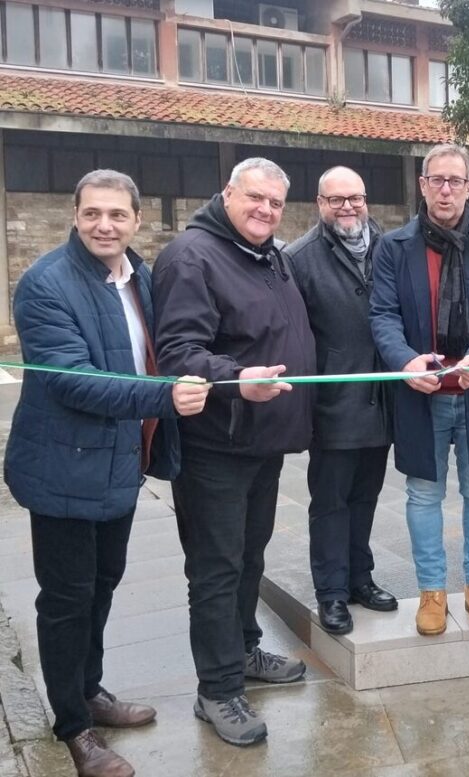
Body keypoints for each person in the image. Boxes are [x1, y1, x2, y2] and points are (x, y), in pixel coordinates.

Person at [5, 170, 210, 777]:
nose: (105, 225)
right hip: (62, 467)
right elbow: (72, 378)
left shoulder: (138, 277)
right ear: (74, 214)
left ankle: (89, 690)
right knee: (67, 599)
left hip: (118, 463)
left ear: (136, 221)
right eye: (93, 213)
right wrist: (165, 398)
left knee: (103, 584)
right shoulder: (45, 284)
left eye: (117, 215)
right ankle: (73, 727)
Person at [153, 158, 316, 747]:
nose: (266, 210)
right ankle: (217, 690)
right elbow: (177, 351)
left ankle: (242, 651)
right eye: (255, 198)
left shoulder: (267, 253)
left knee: (250, 557)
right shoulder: (191, 256)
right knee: (216, 568)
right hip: (214, 445)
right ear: (226, 193)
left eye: (275, 203)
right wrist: (235, 378)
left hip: (260, 440)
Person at [369, 143, 469, 636]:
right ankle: (432, 591)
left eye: (456, 181)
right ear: (423, 185)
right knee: (422, 494)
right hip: (421, 391)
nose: (446, 189)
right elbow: (383, 316)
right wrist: (403, 361)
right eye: (437, 180)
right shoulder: (395, 246)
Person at [285, 167, 396, 636]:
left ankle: (360, 579)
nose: (347, 207)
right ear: (319, 202)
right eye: (336, 200)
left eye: (355, 198)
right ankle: (331, 592)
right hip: (333, 401)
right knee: (330, 502)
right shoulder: (299, 258)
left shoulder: (389, 247)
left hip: (382, 399)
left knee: (366, 496)